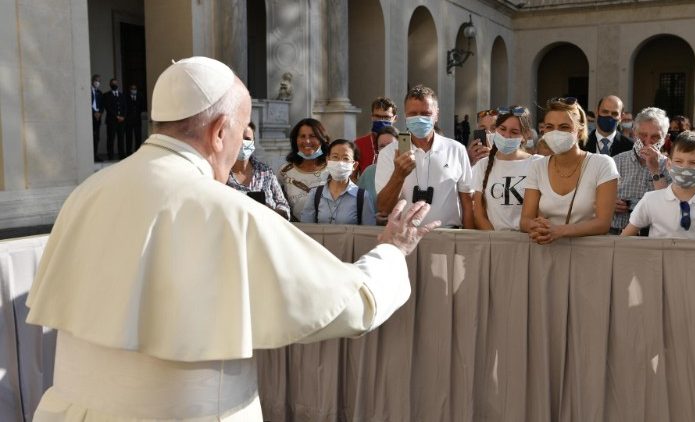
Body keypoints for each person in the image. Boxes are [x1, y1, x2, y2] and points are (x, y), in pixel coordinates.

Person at [26, 56, 440, 421]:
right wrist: (392, 250)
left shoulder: (86, 192)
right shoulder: (230, 211)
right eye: (242, 131)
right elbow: (349, 307)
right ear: (221, 131)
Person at [520, 97, 619, 244]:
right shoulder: (537, 166)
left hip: (590, 255)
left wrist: (559, 231)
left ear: (579, 130)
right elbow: (525, 220)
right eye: (549, 126)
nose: (555, 132)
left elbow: (603, 223)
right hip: (546, 252)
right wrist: (536, 226)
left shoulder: (602, 164)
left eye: (564, 127)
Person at [375, 85, 475, 229]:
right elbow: (383, 209)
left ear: (436, 115)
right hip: (402, 237)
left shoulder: (456, 149)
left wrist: (468, 241)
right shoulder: (389, 153)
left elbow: (467, 202)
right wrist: (398, 175)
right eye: (413, 114)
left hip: (447, 236)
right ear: (405, 116)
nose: (419, 119)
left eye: (425, 113)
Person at [622, 131, 695, 240]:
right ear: (669, 164)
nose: (685, 167)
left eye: (694, 163)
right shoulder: (650, 200)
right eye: (678, 161)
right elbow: (624, 238)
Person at [472, 105, 542, 230]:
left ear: (525, 136)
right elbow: (479, 214)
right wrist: (496, 240)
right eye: (502, 129)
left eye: (514, 132)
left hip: (528, 241)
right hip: (494, 242)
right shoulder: (483, 165)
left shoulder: (537, 163)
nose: (506, 136)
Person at [610, 107, 671, 235]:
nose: (647, 142)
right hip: (616, 232)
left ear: (665, 138)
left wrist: (655, 168)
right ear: (634, 133)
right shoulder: (615, 162)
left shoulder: (671, 166)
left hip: (653, 235)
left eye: (655, 137)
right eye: (642, 135)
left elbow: (670, 206)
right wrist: (608, 203)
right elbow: (593, 201)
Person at [301, 139, 376, 225]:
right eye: (335, 157)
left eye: (346, 158)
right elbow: (306, 230)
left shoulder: (363, 197)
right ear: (327, 160)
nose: (340, 163)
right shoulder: (315, 194)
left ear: (354, 165)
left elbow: (367, 232)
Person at [227, 122, 291, 220]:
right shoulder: (222, 173)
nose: (243, 143)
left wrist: (273, 211)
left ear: (253, 142)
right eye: (239, 138)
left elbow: (283, 205)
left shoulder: (266, 172)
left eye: (247, 139)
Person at [277, 118, 330, 221]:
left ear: (322, 139)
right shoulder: (284, 172)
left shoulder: (332, 170)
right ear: (295, 140)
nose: (307, 141)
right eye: (302, 136)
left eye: (312, 136)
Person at [358, 125, 397, 216]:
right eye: (382, 146)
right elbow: (358, 204)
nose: (386, 149)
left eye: (391, 145)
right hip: (374, 228)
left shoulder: (409, 169)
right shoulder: (369, 172)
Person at [353, 97, 398, 175]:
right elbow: (352, 176)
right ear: (372, 117)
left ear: (395, 118)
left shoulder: (403, 142)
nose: (381, 120)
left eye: (386, 117)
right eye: (377, 116)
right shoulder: (359, 144)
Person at [103, 78, 126, 160]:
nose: (114, 85)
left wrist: (123, 116)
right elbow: (108, 107)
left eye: (116, 83)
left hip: (121, 121)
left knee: (121, 139)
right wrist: (116, 116)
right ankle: (110, 156)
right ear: (110, 85)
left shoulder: (121, 95)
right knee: (111, 139)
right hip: (111, 121)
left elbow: (125, 107)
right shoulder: (106, 95)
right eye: (113, 84)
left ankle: (122, 155)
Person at [125, 83, 147, 156]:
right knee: (129, 137)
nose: (133, 90)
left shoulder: (140, 96)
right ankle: (129, 152)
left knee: (138, 136)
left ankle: (138, 152)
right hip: (128, 120)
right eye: (132, 89)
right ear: (130, 90)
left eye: (135, 89)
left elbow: (143, 106)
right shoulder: (126, 96)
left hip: (137, 120)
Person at [91, 74, 103, 161]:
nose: (97, 82)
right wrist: (94, 112)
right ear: (92, 81)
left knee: (97, 137)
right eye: (96, 80)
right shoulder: (89, 91)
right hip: (91, 116)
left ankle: (95, 154)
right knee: (91, 136)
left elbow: (102, 105)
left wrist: (99, 113)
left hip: (98, 117)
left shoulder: (99, 93)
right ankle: (90, 155)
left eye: (99, 81)